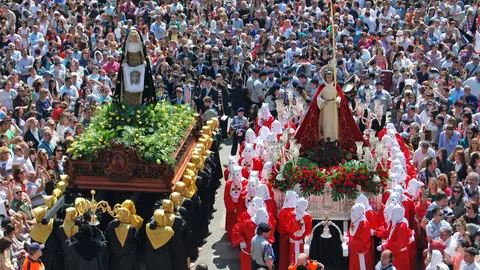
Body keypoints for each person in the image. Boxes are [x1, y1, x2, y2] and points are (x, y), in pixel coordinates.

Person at [295, 68, 364, 153]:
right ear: (325, 77)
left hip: (334, 107)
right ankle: (325, 140)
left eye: (330, 77)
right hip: (325, 107)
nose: (329, 78)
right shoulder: (322, 87)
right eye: (327, 77)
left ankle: (334, 139)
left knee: (333, 123)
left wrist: (338, 99)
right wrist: (322, 101)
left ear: (332, 77)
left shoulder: (336, 86)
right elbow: (317, 97)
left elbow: (341, 96)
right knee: (325, 123)